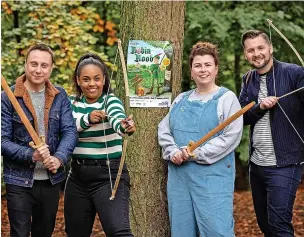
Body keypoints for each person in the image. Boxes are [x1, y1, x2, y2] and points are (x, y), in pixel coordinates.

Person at [158, 42, 243, 237]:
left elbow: (230, 137)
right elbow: (164, 129)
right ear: (191, 70)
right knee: (182, 231)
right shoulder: (181, 99)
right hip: (180, 179)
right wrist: (173, 152)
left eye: (207, 65)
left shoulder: (227, 99)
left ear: (216, 69)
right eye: (198, 65)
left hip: (212, 178)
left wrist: (195, 153)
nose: (202, 69)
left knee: (216, 230)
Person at [1, 43, 78, 237]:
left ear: (51, 68)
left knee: (44, 233)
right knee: (19, 233)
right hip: (18, 181)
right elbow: (2, 141)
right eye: (33, 64)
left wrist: (59, 158)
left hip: (51, 181)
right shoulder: (7, 98)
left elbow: (70, 131)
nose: (38, 69)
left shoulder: (60, 96)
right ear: (25, 64)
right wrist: (32, 154)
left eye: (44, 65)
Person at [239, 30, 304, 237]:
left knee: (279, 225)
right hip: (257, 165)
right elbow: (242, 117)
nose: (256, 53)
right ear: (245, 54)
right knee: (265, 224)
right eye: (251, 50)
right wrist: (259, 107)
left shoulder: (294, 73)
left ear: (270, 48)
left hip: (285, 163)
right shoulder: (248, 78)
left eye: (260, 48)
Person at [64, 53, 136, 237]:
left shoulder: (110, 101)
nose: (92, 84)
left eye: (97, 78)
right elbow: (66, 127)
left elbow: (116, 118)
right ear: (78, 81)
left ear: (104, 79)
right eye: (86, 79)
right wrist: (88, 118)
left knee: (119, 232)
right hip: (77, 178)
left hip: (108, 176)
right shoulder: (71, 103)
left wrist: (124, 126)